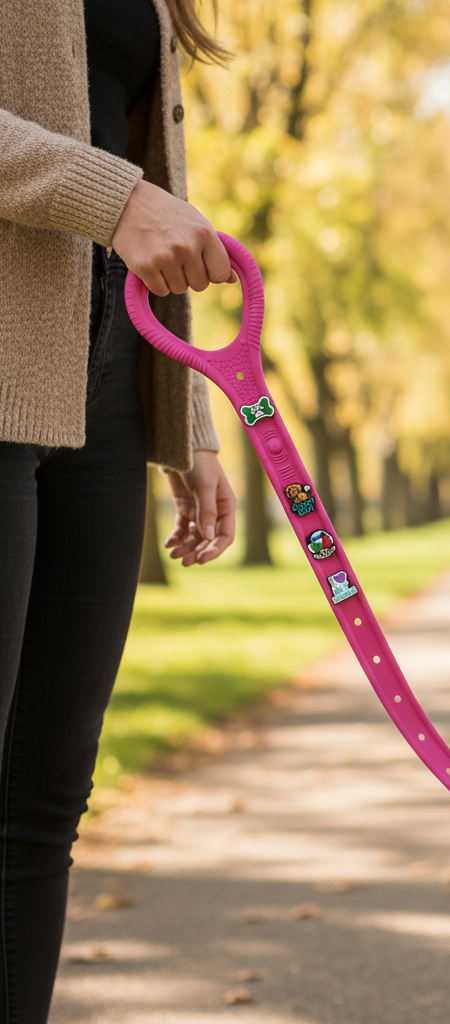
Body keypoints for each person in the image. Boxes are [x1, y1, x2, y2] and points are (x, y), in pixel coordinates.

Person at [0, 1, 237, 1018]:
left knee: (43, 802)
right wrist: (115, 198)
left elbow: (140, 159)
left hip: (97, 390)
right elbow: (128, 191)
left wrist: (184, 414)